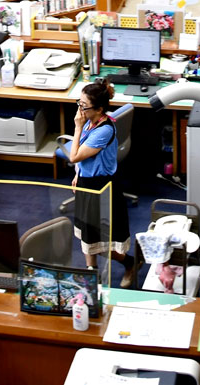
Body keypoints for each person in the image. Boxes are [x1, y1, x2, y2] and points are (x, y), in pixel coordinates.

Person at [65, 79, 135, 288]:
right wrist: (78, 173)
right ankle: (92, 275)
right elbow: (81, 159)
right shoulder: (90, 120)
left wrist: (77, 127)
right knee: (87, 237)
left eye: (84, 106)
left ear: (99, 109)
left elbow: (74, 156)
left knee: (102, 243)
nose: (80, 110)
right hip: (86, 182)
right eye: (79, 103)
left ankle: (130, 262)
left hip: (101, 187)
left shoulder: (104, 130)